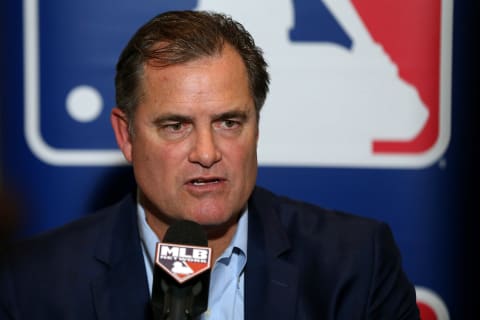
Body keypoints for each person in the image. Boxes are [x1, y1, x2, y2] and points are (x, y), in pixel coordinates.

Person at [0, 10, 419, 319]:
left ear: (256, 127)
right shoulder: (32, 283)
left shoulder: (356, 263)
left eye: (229, 122)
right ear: (126, 136)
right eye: (176, 125)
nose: (206, 152)